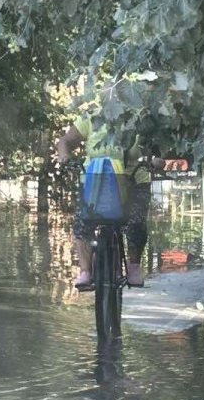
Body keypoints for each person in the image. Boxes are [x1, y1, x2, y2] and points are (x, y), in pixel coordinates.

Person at [56, 117, 160, 289]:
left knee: (136, 223)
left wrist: (156, 160)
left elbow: (156, 147)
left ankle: (134, 265)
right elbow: (65, 141)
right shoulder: (91, 114)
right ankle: (85, 271)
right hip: (95, 179)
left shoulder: (141, 113)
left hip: (133, 178)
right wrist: (64, 155)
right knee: (82, 222)